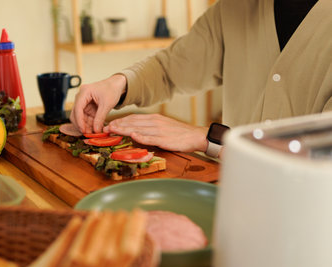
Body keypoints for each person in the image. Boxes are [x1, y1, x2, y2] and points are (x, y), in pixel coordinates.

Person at [70, 0, 331, 159]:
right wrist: (119, 84)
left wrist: (208, 139)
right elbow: (170, 68)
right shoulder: (233, 8)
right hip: (235, 195)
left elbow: (322, 154)